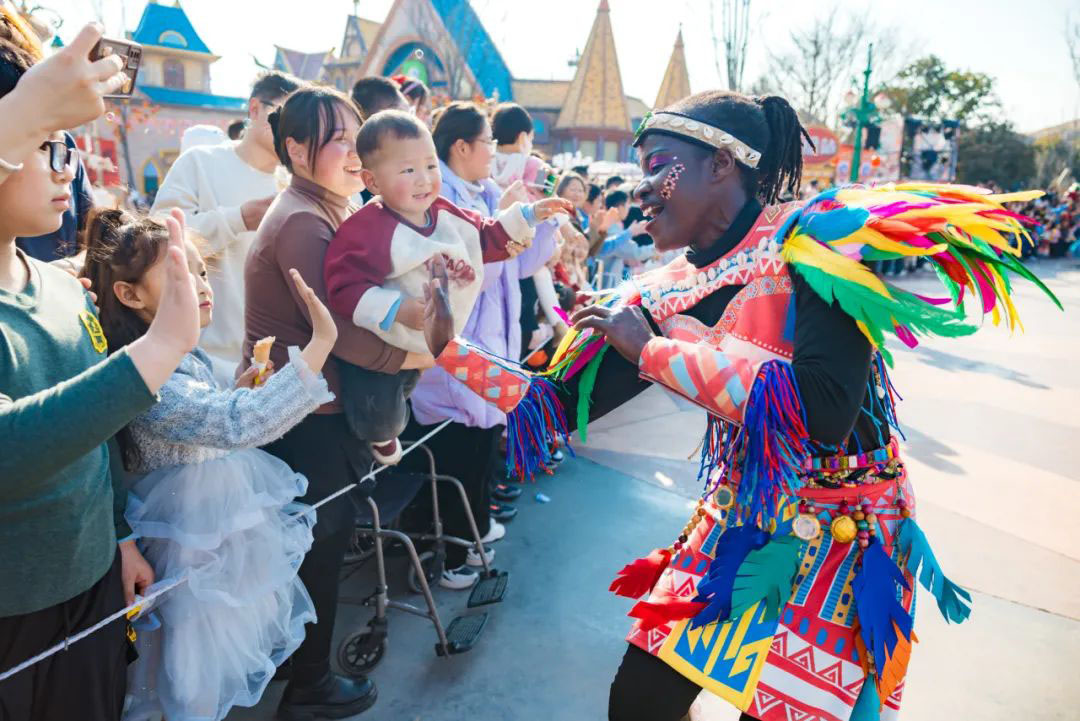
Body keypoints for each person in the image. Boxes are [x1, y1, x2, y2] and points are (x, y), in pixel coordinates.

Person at [540, 90, 1054, 721]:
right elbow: (549, 406)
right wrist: (432, 338)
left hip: (843, 533)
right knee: (640, 703)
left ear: (721, 165)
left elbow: (822, 411)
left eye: (658, 165)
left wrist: (653, 352)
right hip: (742, 516)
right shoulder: (666, 286)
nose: (641, 189)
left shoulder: (813, 249)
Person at [0, 24, 199, 719]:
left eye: (67, 146)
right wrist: (159, 349)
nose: (65, 168)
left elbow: (94, 441)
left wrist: (115, 536)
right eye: (41, 142)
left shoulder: (58, 285)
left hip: (89, 585)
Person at [243, 85, 450, 718]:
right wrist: (425, 355)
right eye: (337, 139)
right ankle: (309, 687)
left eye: (355, 136)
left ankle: (291, 662)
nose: (354, 151)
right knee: (319, 549)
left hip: (311, 408)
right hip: (309, 416)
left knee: (307, 546)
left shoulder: (329, 207)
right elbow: (353, 337)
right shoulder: (305, 221)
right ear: (297, 149)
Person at [82, 209, 337, 721]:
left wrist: (235, 393)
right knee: (188, 659)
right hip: (185, 539)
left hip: (208, 525)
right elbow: (232, 425)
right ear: (131, 296)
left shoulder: (180, 354)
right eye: (180, 274)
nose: (201, 285)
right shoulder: (144, 372)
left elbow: (215, 416)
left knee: (207, 651)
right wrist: (318, 350)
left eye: (201, 271)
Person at [323, 109, 568, 465]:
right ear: (372, 182)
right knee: (381, 403)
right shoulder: (368, 229)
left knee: (413, 384)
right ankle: (379, 435)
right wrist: (399, 309)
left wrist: (528, 215)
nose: (424, 180)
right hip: (392, 340)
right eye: (408, 170)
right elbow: (345, 287)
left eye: (430, 167)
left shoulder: (444, 211)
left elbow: (485, 233)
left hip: (441, 338)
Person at [399, 101, 562, 587]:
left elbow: (525, 263)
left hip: (494, 350)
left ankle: (469, 538)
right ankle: (447, 559)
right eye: (489, 142)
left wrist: (538, 218)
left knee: (482, 451)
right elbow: (467, 280)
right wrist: (507, 228)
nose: (495, 152)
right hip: (456, 357)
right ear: (461, 147)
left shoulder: (488, 191)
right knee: (457, 458)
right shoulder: (440, 201)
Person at [152, 70, 302, 386]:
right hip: (203, 362)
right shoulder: (200, 162)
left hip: (274, 366)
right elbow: (159, 243)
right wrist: (239, 219)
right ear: (254, 109)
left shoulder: (292, 185)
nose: (290, 131)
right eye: (282, 116)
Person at [594, 188, 652, 287]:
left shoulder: (615, 226)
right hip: (606, 285)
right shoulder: (611, 228)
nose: (628, 208)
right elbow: (635, 252)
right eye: (627, 205)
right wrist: (656, 248)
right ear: (620, 207)